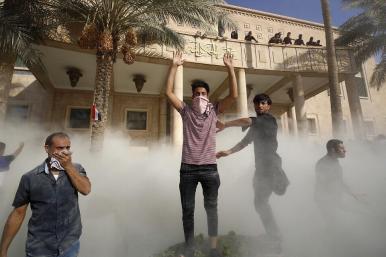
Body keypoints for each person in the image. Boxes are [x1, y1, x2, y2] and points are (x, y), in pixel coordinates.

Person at [165, 51, 237, 257]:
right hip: (187, 169)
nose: (199, 97)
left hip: (209, 169)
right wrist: (174, 66)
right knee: (187, 210)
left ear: (208, 96)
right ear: (192, 96)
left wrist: (230, 68)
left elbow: (233, 95)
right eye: (196, 94)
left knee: (211, 209)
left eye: (203, 94)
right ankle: (189, 248)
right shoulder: (185, 111)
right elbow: (168, 92)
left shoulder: (214, 110)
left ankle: (213, 248)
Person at [0, 132, 91, 257]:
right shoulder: (30, 178)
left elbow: (86, 189)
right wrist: (3, 250)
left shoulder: (77, 168)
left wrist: (68, 166)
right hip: (39, 247)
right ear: (47, 149)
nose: (65, 152)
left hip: (68, 245)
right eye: (59, 148)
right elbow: (18, 213)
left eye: (67, 148)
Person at [216, 94, 289, 242]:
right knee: (259, 203)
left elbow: (248, 121)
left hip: (271, 166)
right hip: (262, 169)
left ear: (268, 106)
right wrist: (228, 152)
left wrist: (225, 124)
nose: (259, 106)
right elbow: (245, 142)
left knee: (261, 202)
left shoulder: (269, 120)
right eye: (257, 104)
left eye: (263, 103)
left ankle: (275, 235)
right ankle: (274, 234)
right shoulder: (256, 126)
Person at [315, 139, 360, 225]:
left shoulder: (334, 161)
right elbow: (324, 185)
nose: (345, 150)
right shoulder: (324, 164)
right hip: (326, 202)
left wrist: (353, 194)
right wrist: (335, 202)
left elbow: (338, 181)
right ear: (332, 150)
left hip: (332, 200)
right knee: (335, 227)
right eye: (341, 148)